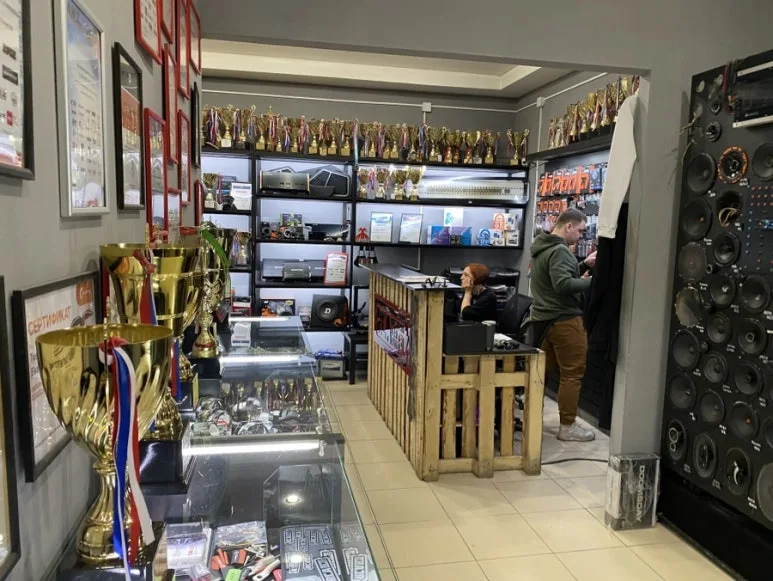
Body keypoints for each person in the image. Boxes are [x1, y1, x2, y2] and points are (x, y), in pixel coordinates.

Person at [530, 208, 597, 442]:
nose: (580, 236)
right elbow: (562, 285)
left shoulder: (543, 246)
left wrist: (583, 265)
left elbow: (556, 277)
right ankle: (567, 426)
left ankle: (531, 418)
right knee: (572, 374)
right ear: (568, 226)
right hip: (564, 320)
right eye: (580, 231)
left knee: (541, 373)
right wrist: (594, 282)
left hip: (544, 320)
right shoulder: (559, 250)